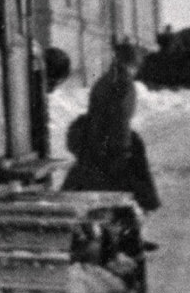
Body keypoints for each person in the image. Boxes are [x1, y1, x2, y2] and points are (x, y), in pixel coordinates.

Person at [66, 40, 161, 212]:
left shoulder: (106, 78)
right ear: (132, 63)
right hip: (110, 144)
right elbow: (120, 120)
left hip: (94, 139)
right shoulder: (124, 83)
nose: (137, 70)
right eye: (137, 65)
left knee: (93, 185)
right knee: (122, 192)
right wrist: (123, 152)